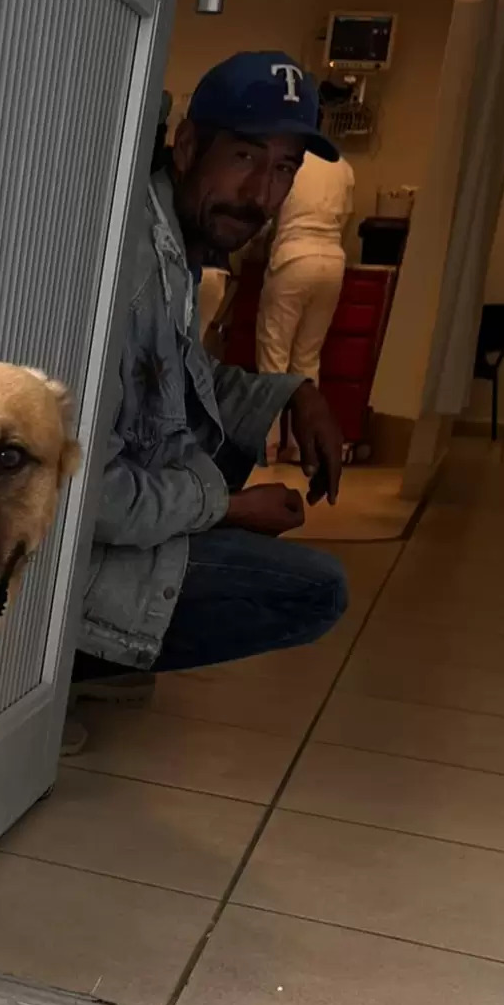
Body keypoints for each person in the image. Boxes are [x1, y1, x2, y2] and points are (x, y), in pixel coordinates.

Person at [72, 52, 349, 709]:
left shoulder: (179, 247)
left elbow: (180, 383)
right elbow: (91, 499)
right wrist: (227, 508)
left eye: (283, 169)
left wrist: (295, 393)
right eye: (246, 158)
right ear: (191, 145)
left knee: (225, 435)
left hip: (109, 514)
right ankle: (65, 665)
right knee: (315, 590)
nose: (260, 196)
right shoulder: (133, 265)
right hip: (58, 553)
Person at [256, 146, 355, 382]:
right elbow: (346, 217)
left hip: (292, 259)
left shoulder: (289, 158)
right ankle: (303, 418)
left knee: (274, 358)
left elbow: (267, 211)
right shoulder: (341, 164)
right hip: (332, 261)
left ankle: (271, 420)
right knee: (307, 360)